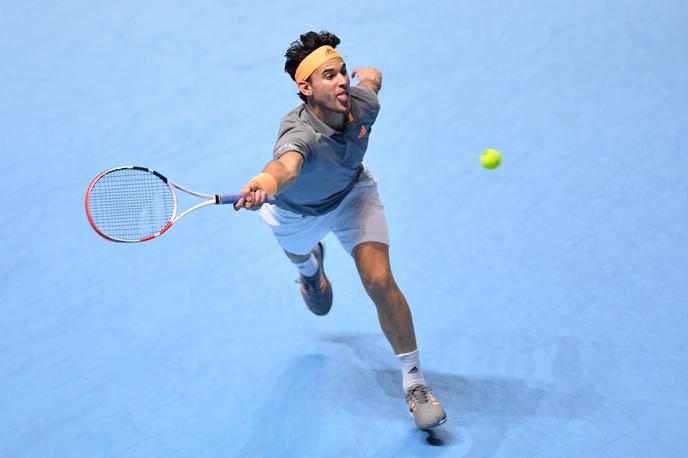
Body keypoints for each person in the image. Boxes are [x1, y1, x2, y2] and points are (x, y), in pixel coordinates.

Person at [234, 30, 446, 430]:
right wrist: (263, 183)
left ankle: (415, 384)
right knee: (309, 272)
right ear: (306, 87)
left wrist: (372, 75)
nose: (343, 81)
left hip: (352, 195)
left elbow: (371, 83)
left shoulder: (363, 104)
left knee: (380, 280)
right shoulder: (299, 133)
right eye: (329, 76)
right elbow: (287, 166)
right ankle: (310, 269)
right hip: (296, 214)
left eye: (344, 72)